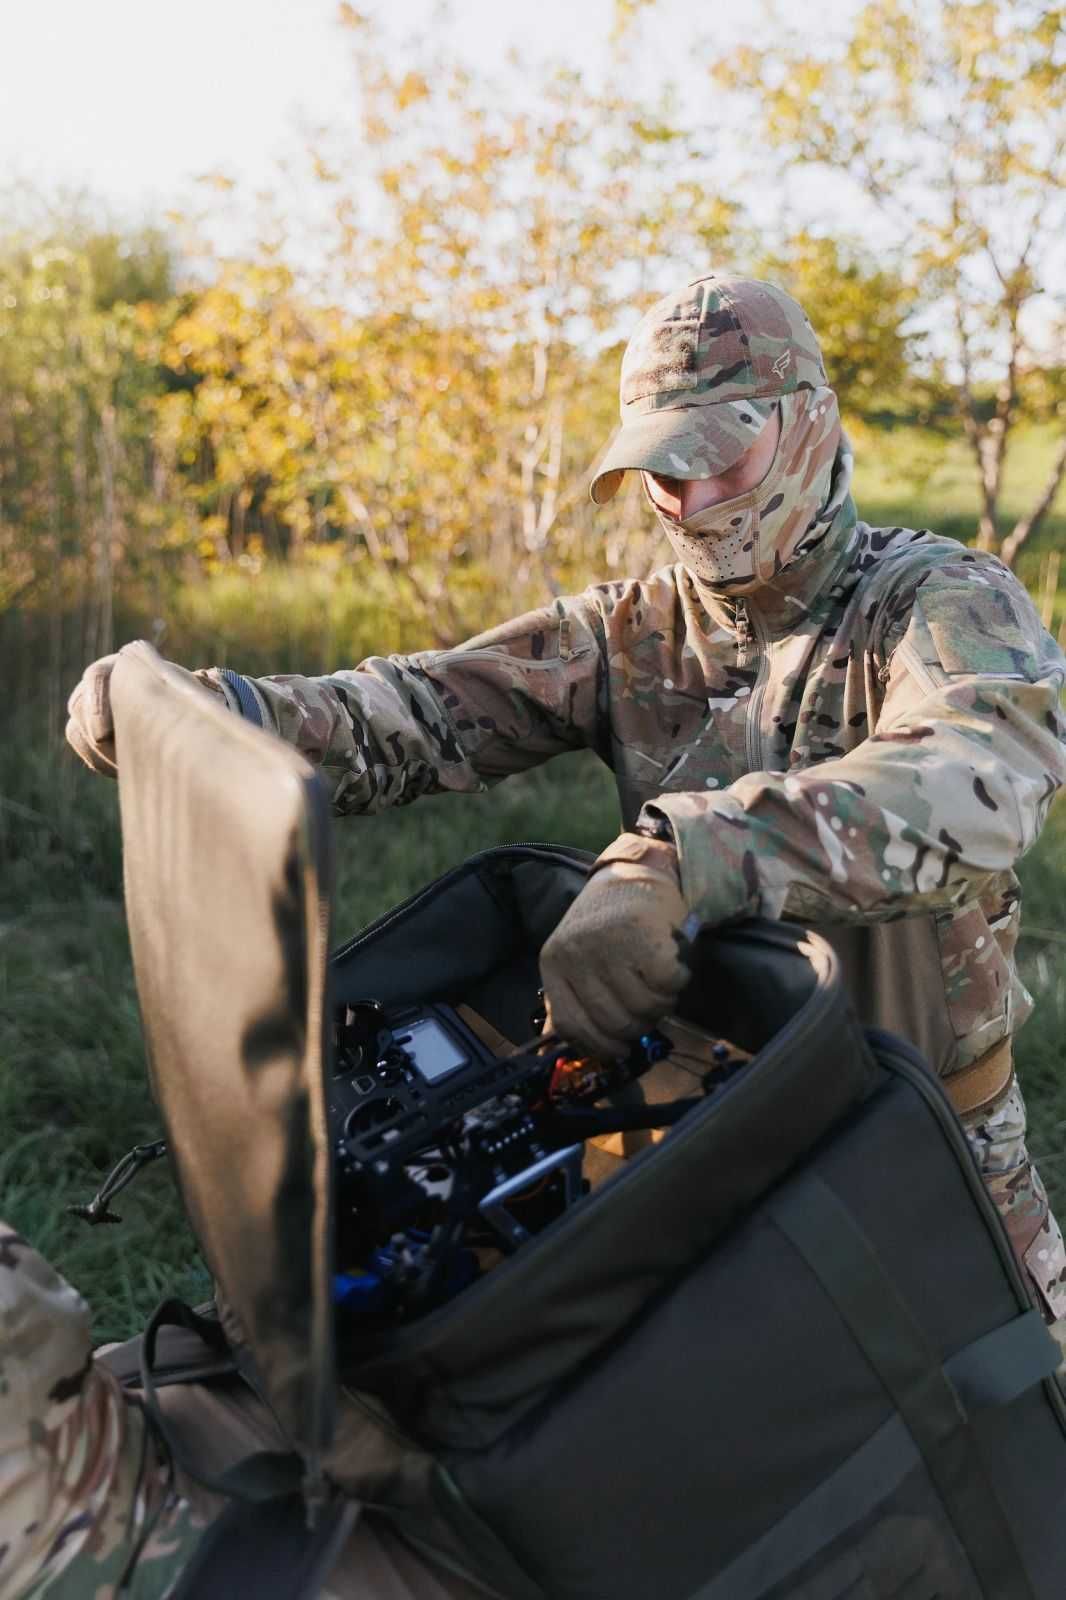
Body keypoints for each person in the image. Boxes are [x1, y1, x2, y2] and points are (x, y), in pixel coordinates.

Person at [53, 271, 1066, 1591]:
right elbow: (415, 709)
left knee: (1008, 1469)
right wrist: (210, 710)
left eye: (718, 458)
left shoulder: (937, 602)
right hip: (707, 1137)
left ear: (808, 421)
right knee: (761, 1506)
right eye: (659, 473)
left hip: (934, 1144)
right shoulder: (631, 632)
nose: (688, 502)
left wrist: (695, 853)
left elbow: (980, 780)